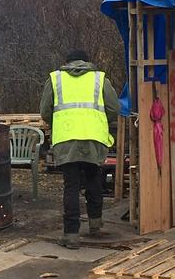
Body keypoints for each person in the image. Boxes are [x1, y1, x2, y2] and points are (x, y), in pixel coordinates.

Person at [40, 49, 118, 249]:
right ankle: (95, 225)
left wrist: (59, 123)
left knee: (71, 186)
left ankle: (71, 234)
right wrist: (98, 122)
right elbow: (113, 108)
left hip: (66, 139)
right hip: (94, 138)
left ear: (66, 62)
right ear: (87, 61)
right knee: (94, 180)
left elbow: (45, 111)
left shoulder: (55, 79)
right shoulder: (100, 79)